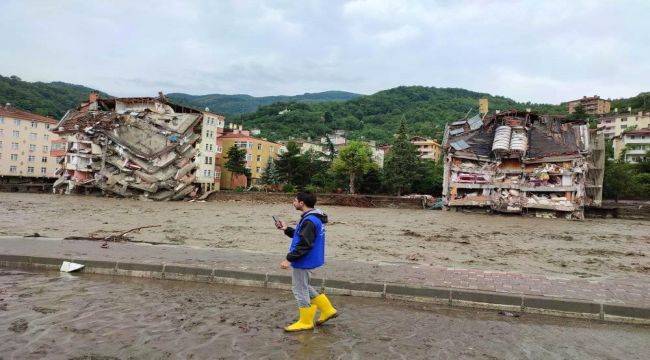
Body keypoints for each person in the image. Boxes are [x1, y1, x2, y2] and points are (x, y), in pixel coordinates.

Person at [276, 192, 338, 332]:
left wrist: (289, 259)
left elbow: (305, 244)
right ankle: (327, 309)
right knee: (304, 285)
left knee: (299, 288)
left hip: (304, 259)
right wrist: (286, 229)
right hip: (310, 258)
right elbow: (302, 236)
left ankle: (305, 321)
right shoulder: (313, 217)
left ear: (301, 203)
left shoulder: (309, 220)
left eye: (295, 200)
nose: (293, 202)